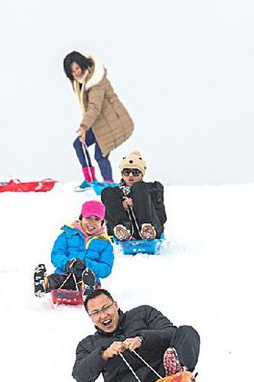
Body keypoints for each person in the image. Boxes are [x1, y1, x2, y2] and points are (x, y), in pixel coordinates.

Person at [73, 289, 201, 382]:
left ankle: (180, 371)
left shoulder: (143, 314)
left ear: (115, 305)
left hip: (164, 375)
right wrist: (103, 355)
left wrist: (142, 339)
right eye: (95, 313)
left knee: (186, 331)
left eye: (106, 308)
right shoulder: (88, 344)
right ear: (90, 317)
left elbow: (171, 332)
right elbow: (80, 376)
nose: (103, 315)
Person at [62, 51, 134, 190]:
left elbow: (95, 107)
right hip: (99, 123)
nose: (76, 73)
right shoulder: (80, 82)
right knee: (79, 144)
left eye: (77, 68)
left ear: (83, 65)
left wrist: (83, 126)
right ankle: (90, 180)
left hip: (114, 122)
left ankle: (109, 185)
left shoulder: (95, 81)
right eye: (72, 71)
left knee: (100, 155)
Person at [33, 200, 114, 296]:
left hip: (87, 277)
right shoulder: (67, 234)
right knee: (55, 279)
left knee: (88, 280)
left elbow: (106, 269)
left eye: (96, 219)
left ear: (102, 223)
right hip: (64, 274)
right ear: (81, 218)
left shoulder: (105, 243)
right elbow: (56, 254)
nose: (91, 223)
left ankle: (87, 289)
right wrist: (66, 263)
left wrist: (86, 265)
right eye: (88, 218)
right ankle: (43, 285)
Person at [100, 150, 167, 240]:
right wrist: (120, 207)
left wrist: (138, 203)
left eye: (135, 172)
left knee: (139, 187)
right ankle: (123, 229)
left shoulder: (152, 188)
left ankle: (146, 228)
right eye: (126, 172)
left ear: (142, 174)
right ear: (122, 174)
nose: (130, 175)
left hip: (152, 228)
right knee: (106, 191)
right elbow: (106, 218)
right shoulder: (113, 193)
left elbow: (161, 216)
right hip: (123, 232)